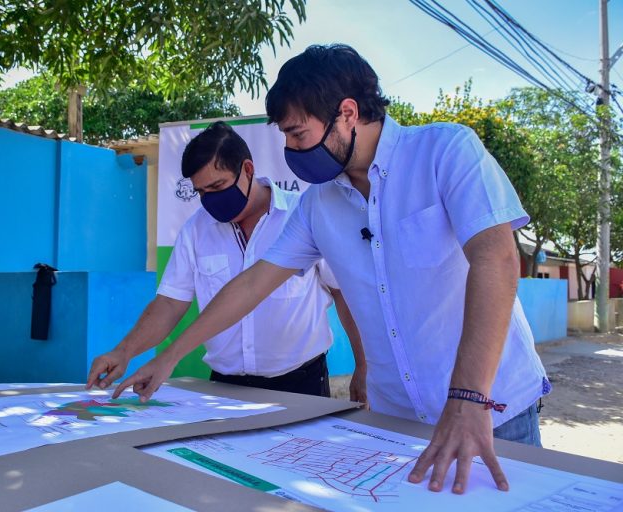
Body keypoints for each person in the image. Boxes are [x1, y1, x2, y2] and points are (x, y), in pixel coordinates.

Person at [115, 44, 551, 495]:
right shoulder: (317, 205)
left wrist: (467, 397)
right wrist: (167, 357)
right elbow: (250, 285)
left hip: (491, 412)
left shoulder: (444, 152)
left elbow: (496, 260)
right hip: (396, 421)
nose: (290, 150)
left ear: (347, 113)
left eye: (298, 134)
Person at [87, 121, 367, 401]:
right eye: (202, 193)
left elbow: (346, 295)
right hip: (223, 389)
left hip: (300, 383)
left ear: (247, 169)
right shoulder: (196, 230)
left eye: (218, 186)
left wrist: (364, 365)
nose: (210, 201)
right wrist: (122, 352)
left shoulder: (301, 216)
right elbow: (170, 304)